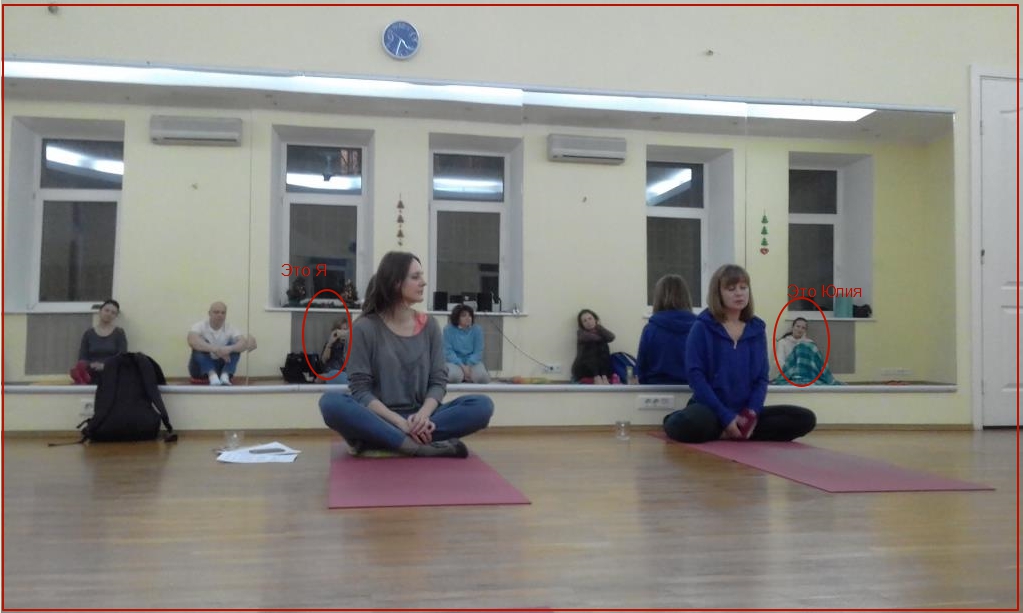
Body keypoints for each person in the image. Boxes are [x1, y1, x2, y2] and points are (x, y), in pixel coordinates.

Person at [318, 251, 494, 458]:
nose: (423, 282)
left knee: (482, 406)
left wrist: (422, 416)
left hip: (422, 416)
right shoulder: (364, 328)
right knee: (331, 404)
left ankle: (385, 441)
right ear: (395, 283)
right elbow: (361, 391)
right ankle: (416, 446)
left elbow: (438, 381)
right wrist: (400, 423)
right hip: (379, 416)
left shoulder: (430, 326)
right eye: (415, 277)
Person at [663, 264, 816, 443]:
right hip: (710, 409)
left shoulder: (757, 329)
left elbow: (761, 378)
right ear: (718, 293)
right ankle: (726, 429)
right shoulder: (702, 327)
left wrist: (751, 414)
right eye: (731, 289)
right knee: (691, 423)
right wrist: (726, 417)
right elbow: (695, 376)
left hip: (744, 411)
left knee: (804, 418)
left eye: (743, 288)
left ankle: (734, 431)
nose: (739, 293)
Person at [636, 274, 698, 384]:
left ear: (658, 298)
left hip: (656, 389)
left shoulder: (650, 329)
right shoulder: (699, 329)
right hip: (692, 388)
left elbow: (641, 370)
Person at [186, 301, 258, 386]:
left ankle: (225, 376)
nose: (220, 315)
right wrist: (216, 350)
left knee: (235, 344)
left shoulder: (231, 328)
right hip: (200, 370)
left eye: (223, 313)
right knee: (199, 345)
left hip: (221, 368)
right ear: (209, 313)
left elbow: (243, 343)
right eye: (216, 312)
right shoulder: (199, 326)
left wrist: (229, 349)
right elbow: (192, 340)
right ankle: (212, 376)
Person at [70, 299, 128, 384]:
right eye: (107, 310)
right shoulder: (89, 333)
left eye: (113, 313)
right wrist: (91, 365)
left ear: (115, 316)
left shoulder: (119, 333)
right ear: (100, 311)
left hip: (111, 374)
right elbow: (82, 358)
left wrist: (104, 366)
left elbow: (122, 357)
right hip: (91, 374)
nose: (109, 314)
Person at [773, 317, 843, 385]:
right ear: (792, 327)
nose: (800, 329)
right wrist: (792, 371)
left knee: (805, 346)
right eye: (798, 326)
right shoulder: (783, 342)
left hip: (808, 375)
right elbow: (779, 361)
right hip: (790, 374)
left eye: (803, 328)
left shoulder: (809, 343)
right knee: (800, 347)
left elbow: (818, 360)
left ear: (805, 331)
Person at [443, 304, 491, 384]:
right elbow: (448, 352)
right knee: (453, 377)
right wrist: (462, 366)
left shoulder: (477, 330)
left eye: (470, 315)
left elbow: (478, 351)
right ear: (457, 318)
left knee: (483, 378)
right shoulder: (448, 330)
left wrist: (469, 365)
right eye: (464, 316)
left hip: (473, 362)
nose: (468, 318)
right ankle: (464, 376)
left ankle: (466, 376)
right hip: (454, 362)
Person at [571, 309, 616, 384]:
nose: (588, 322)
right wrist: (603, 337)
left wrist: (598, 326)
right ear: (582, 324)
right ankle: (597, 377)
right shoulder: (581, 333)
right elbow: (596, 338)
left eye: (590, 318)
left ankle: (604, 376)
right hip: (584, 370)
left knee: (603, 345)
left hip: (601, 370)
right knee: (593, 344)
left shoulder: (599, 330)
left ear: (595, 319)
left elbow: (611, 337)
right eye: (585, 321)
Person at [319, 317, 350, 385]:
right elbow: (324, 360)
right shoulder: (332, 343)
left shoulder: (351, 343)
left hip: (344, 375)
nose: (342, 332)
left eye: (345, 330)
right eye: (340, 330)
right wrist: (330, 343)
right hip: (330, 374)